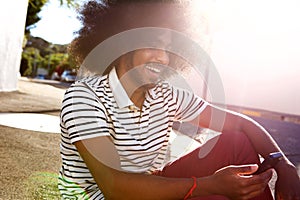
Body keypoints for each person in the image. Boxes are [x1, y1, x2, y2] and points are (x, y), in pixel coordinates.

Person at [58, 0, 300, 199]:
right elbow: (114, 187)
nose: (163, 58)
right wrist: (210, 185)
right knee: (217, 196)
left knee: (236, 142)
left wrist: (283, 164)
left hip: (149, 185)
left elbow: (243, 124)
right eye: (153, 45)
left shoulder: (165, 94)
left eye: (168, 48)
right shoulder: (84, 97)